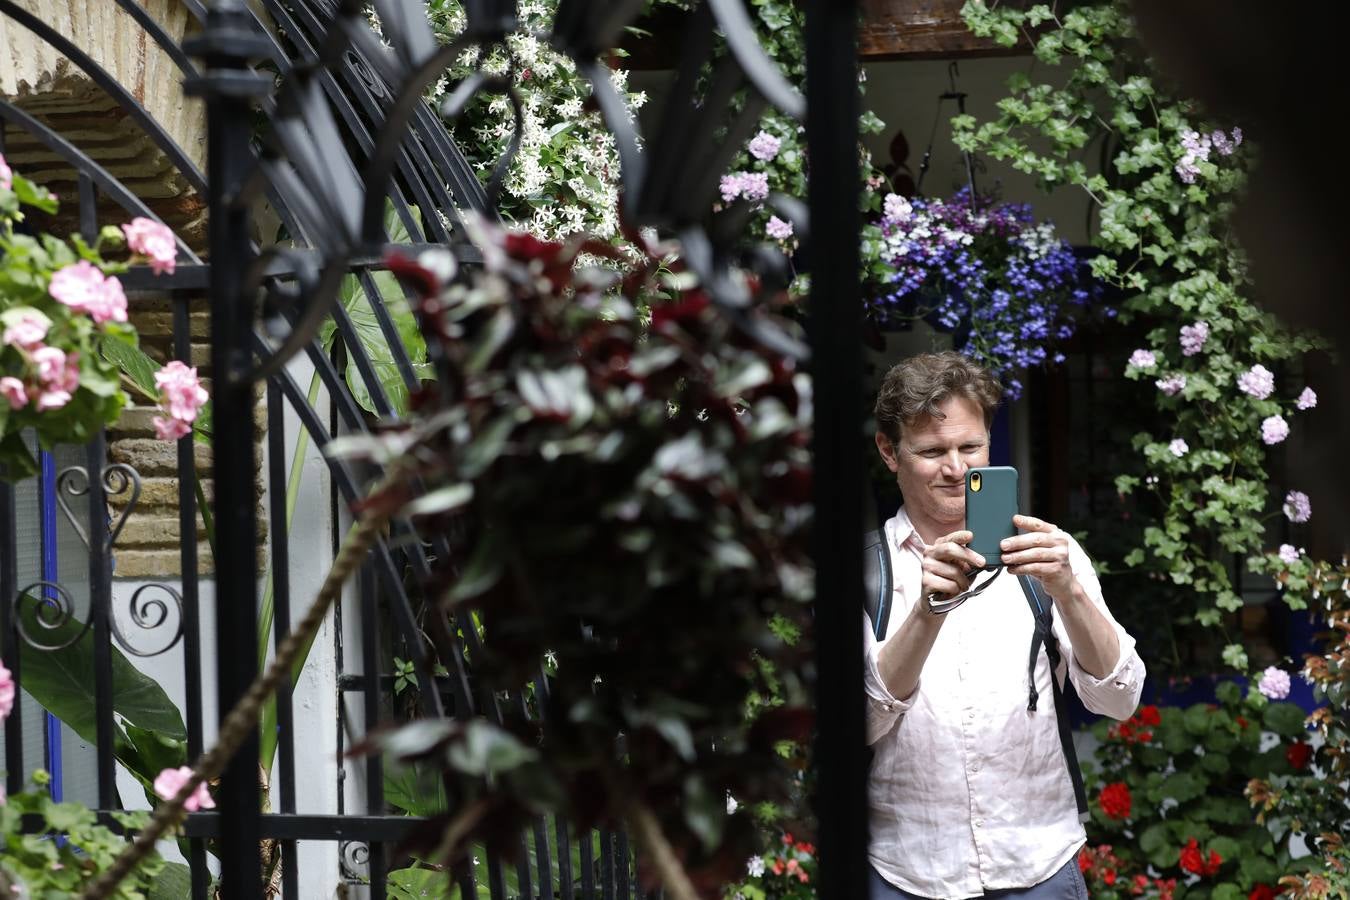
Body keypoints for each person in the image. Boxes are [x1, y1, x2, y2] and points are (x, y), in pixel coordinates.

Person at [864, 352, 1146, 900]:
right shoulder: (867, 571)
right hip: (907, 871)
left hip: (1038, 863)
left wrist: (1068, 589)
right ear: (888, 451)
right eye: (931, 451)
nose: (956, 468)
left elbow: (1120, 699)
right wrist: (927, 610)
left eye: (970, 447)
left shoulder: (1051, 554)